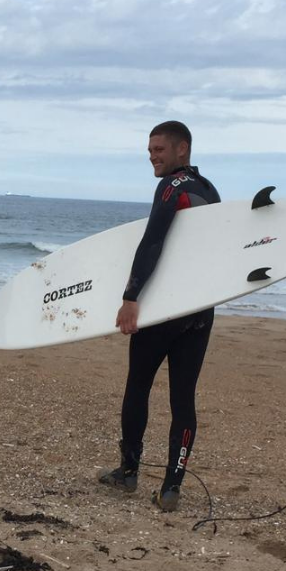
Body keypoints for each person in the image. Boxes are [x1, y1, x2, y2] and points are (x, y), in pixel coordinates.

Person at [99, 120, 220, 512]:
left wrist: (131, 296)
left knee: (139, 386)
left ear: (181, 149)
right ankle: (171, 488)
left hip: (165, 309)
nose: (152, 156)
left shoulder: (170, 187)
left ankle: (128, 472)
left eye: (159, 150)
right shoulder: (209, 190)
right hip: (199, 310)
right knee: (183, 398)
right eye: (150, 150)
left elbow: (153, 240)